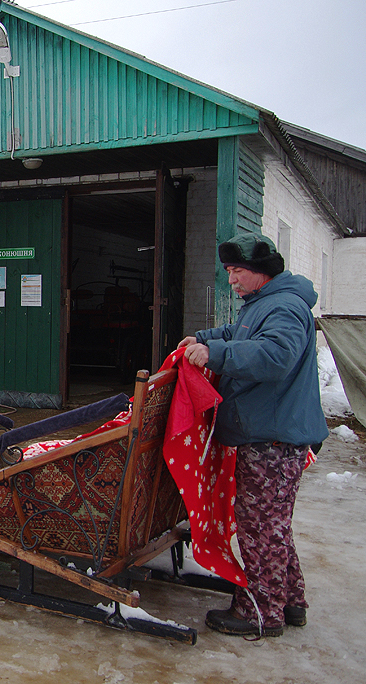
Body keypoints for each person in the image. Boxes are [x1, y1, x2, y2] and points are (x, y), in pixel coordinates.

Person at [178, 233, 329, 638]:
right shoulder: (265, 303)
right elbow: (240, 334)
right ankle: (290, 601)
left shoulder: (284, 307)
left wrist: (217, 355)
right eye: (228, 272)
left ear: (262, 271)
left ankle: (260, 612)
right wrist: (207, 339)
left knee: (260, 526)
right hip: (269, 433)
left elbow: (275, 356)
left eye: (237, 271)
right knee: (272, 524)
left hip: (274, 438)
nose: (231, 280)